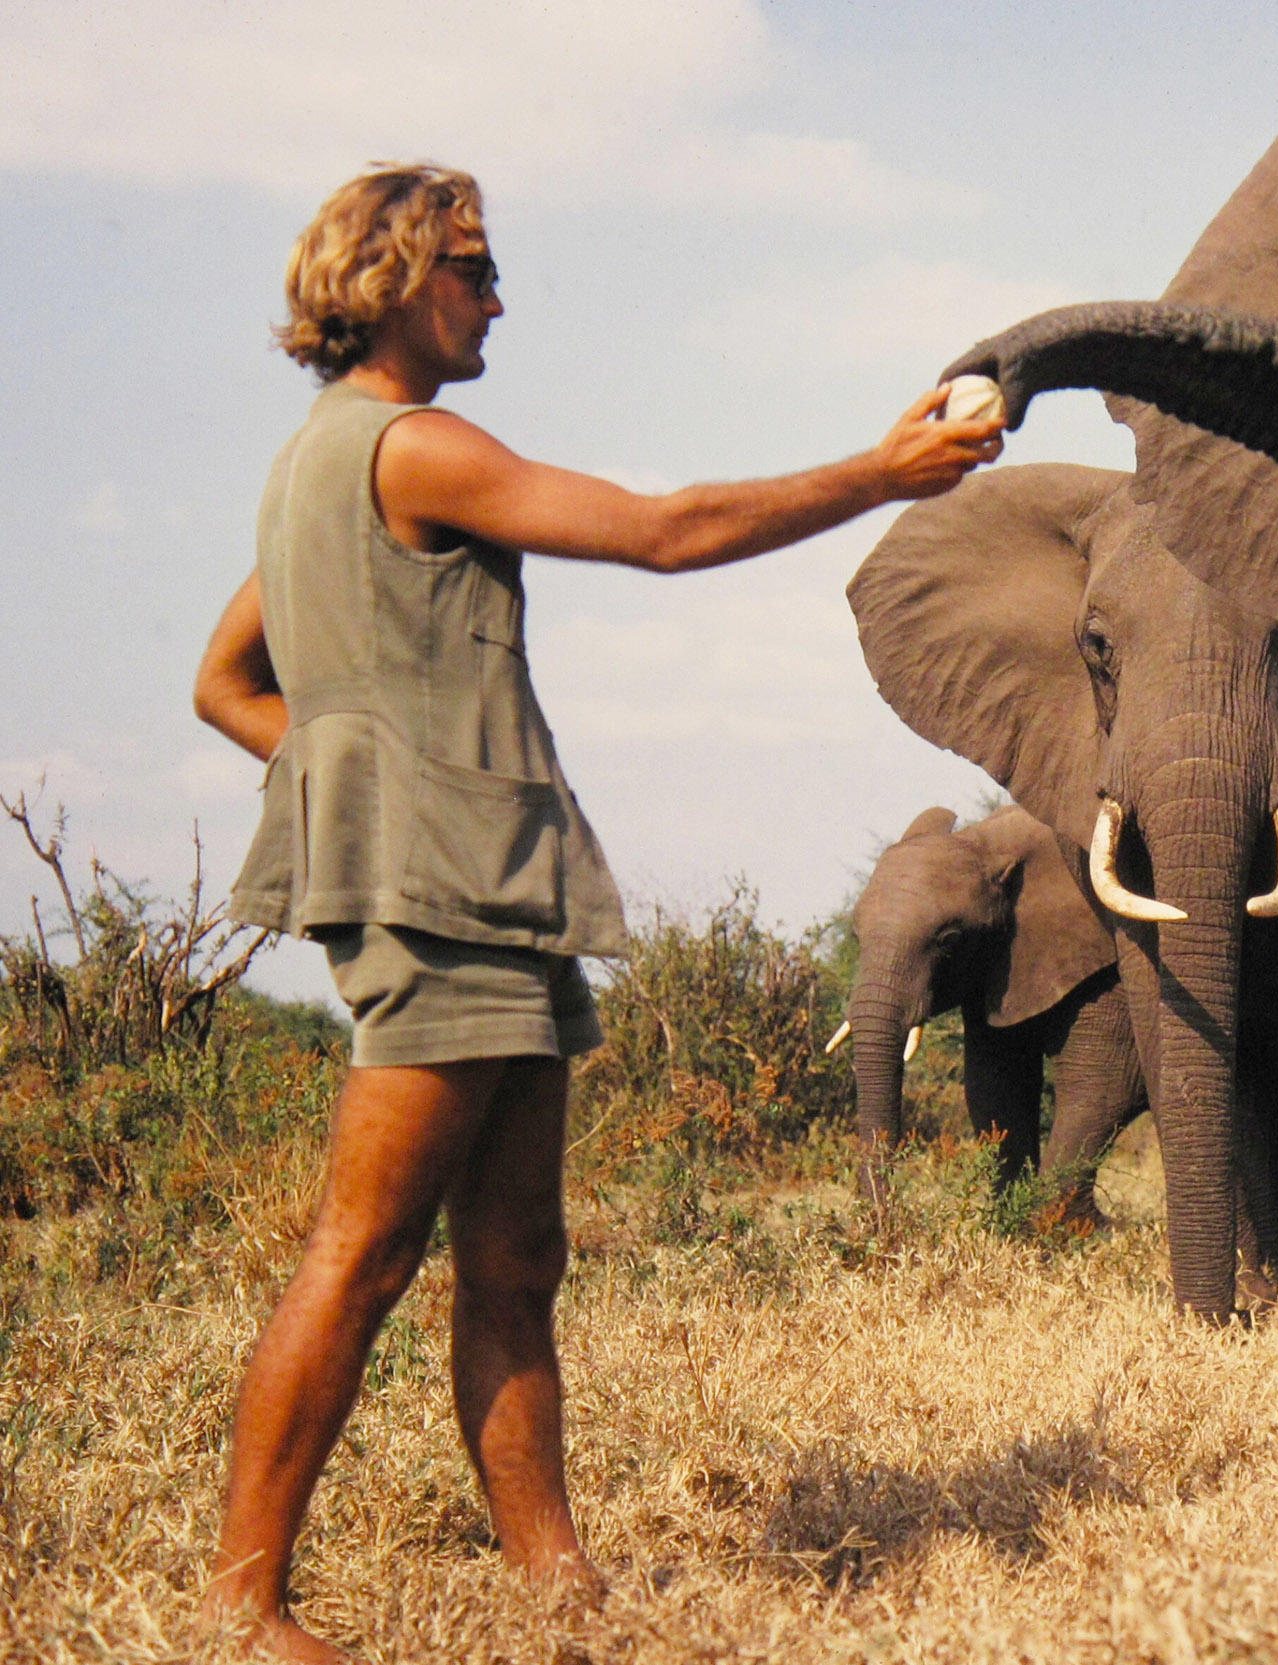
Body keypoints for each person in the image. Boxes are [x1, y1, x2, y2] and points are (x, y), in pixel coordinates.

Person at [191, 163, 1002, 1663]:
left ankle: (558, 1592)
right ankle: (239, 1609)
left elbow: (224, 683)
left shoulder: (312, 466)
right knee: (361, 1251)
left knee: (512, 1255)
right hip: (443, 896)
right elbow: (666, 529)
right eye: (474, 270)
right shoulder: (413, 445)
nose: (497, 297)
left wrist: (346, 771)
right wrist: (880, 474)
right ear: (390, 280)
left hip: (488, 889)